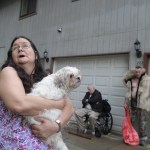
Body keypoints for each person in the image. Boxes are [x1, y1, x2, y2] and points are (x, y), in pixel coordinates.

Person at [0, 36, 74, 149]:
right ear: (12, 56)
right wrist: (56, 104)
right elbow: (19, 104)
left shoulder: (46, 77)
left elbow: (69, 107)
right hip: (15, 143)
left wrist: (56, 125)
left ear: (35, 54)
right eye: (15, 48)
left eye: (25, 46)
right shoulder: (8, 72)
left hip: (45, 142)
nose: (20, 49)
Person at [122, 66, 149, 146]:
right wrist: (126, 103)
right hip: (132, 104)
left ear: (142, 72)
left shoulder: (147, 80)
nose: (137, 73)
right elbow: (125, 82)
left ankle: (143, 139)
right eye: (136, 72)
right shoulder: (131, 79)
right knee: (130, 121)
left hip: (142, 104)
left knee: (142, 122)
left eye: (139, 72)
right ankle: (129, 137)